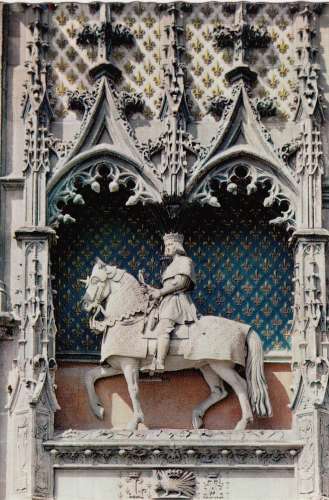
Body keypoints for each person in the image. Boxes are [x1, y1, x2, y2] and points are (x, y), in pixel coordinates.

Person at [147, 232, 197, 371]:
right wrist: (153, 291)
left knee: (164, 327)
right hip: (166, 301)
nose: (167, 247)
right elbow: (167, 286)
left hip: (177, 301)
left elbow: (181, 283)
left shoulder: (185, 261)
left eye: (170, 245)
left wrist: (160, 292)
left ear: (177, 245)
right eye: (166, 245)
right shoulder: (170, 266)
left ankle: (159, 362)